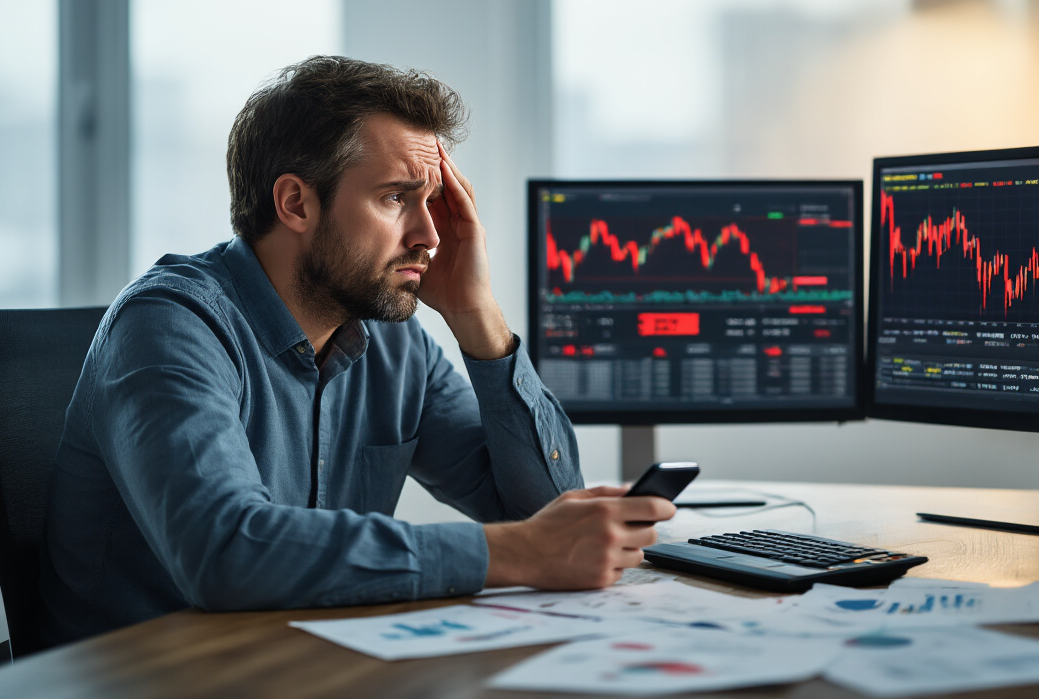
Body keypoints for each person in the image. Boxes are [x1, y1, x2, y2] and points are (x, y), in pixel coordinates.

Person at [40, 56, 675, 646]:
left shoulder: (396, 345)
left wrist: (478, 317)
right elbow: (225, 553)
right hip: (154, 678)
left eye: (435, 202)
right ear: (296, 203)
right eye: (397, 197)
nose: (429, 235)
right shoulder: (170, 324)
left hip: (310, 664)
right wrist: (514, 553)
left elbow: (545, 516)